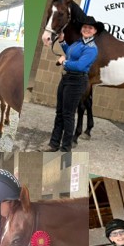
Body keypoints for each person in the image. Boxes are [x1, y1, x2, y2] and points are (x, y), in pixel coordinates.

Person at [46, 14, 100, 153]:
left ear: (94, 31)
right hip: (66, 79)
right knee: (60, 112)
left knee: (68, 115)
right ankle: (53, 144)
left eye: (90, 28)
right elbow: (70, 53)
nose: (87, 29)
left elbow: (80, 66)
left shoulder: (92, 48)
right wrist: (63, 42)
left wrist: (64, 62)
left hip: (77, 81)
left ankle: (65, 148)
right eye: (85, 27)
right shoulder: (79, 43)